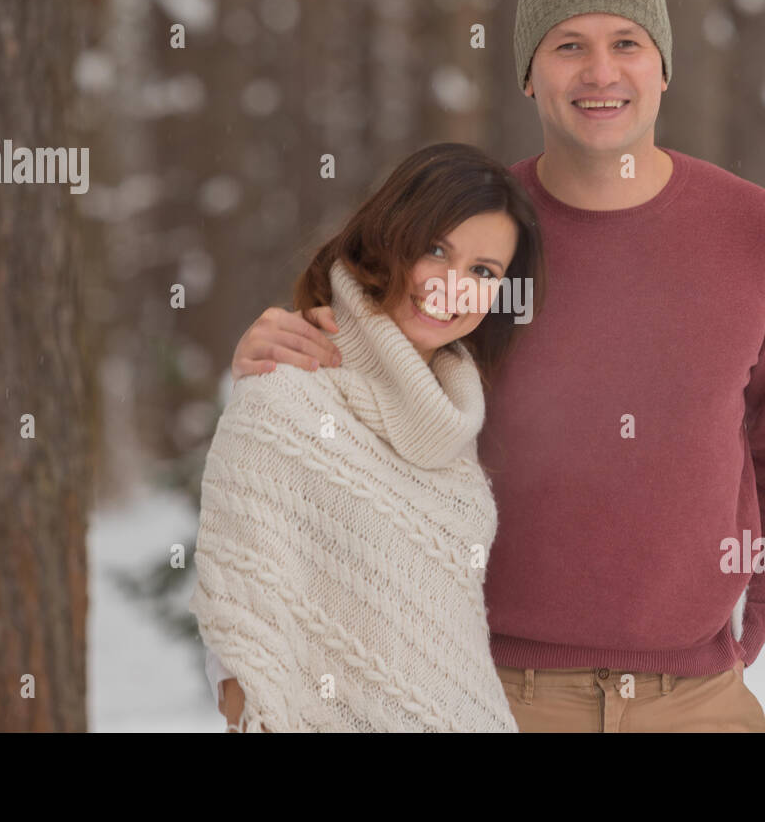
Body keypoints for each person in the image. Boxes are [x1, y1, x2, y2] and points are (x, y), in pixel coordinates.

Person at [230, 0, 765, 732]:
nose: (601, 73)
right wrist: (270, 362)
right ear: (527, 72)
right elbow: (355, 389)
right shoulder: (473, 231)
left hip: (698, 700)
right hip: (495, 693)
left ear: (664, 67)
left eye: (627, 45)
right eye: (568, 46)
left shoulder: (758, 233)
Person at [190, 141, 545, 732]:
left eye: (483, 272)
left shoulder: (456, 420)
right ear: (390, 235)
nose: (452, 287)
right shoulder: (283, 395)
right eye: (436, 250)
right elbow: (239, 655)